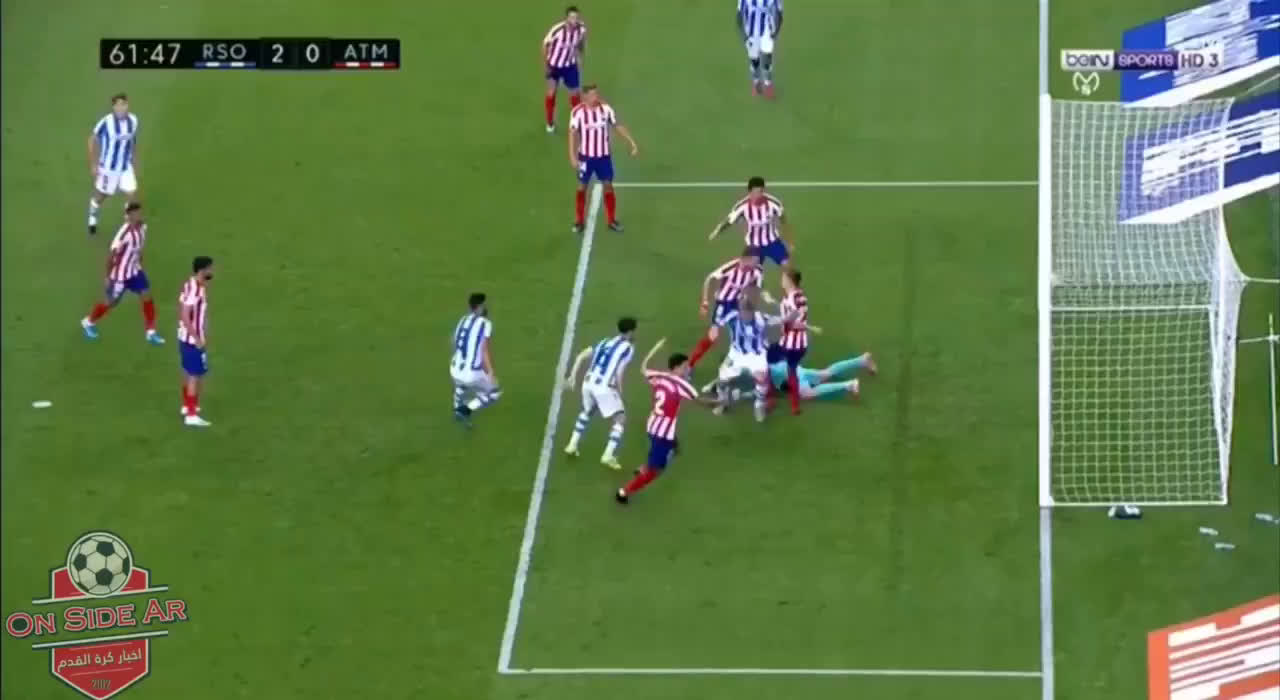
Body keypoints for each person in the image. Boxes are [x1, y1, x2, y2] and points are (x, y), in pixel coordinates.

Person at [80, 202, 164, 345]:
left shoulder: (142, 227)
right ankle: (88, 322)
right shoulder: (124, 234)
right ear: (129, 215)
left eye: (140, 212)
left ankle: (151, 331)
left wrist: (139, 260)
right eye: (136, 213)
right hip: (120, 276)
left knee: (147, 295)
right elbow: (111, 256)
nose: (139, 215)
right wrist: (107, 277)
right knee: (111, 302)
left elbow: (139, 247)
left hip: (135, 271)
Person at [564, 317, 637, 470]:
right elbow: (619, 372)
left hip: (588, 383)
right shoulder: (628, 348)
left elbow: (581, 355)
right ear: (631, 331)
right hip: (604, 388)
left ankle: (572, 444)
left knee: (588, 411)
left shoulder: (604, 342)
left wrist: (572, 376)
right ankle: (608, 455)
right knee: (620, 419)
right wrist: (620, 392)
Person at [569, 85, 638, 234]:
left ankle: (611, 220)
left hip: (603, 157)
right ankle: (579, 221)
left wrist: (631, 142)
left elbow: (617, 125)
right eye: (593, 95)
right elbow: (572, 133)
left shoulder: (605, 109)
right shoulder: (577, 112)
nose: (596, 97)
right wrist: (572, 156)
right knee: (582, 187)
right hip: (585, 157)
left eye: (597, 94)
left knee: (608, 185)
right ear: (585, 96)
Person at [87, 94, 140, 235]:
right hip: (108, 168)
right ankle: (92, 215)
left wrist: (135, 160)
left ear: (127, 105)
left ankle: (129, 222)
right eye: (117, 105)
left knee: (132, 195)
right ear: (113, 107)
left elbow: (133, 140)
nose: (120, 108)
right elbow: (92, 140)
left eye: (123, 104)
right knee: (101, 196)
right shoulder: (106, 122)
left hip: (125, 167)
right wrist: (93, 164)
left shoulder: (133, 120)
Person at [451, 293, 502, 427]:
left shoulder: (463, 319)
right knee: (494, 392)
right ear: (479, 307)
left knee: (462, 382)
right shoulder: (485, 323)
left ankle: (457, 401)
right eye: (484, 304)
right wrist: (490, 373)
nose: (487, 307)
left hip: (454, 369)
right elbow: (484, 351)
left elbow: (455, 341)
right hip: (471, 374)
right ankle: (464, 410)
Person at [178, 256, 214, 427]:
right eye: (210, 268)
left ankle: (187, 406)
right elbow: (185, 314)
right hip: (192, 340)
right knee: (194, 375)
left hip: (184, 337)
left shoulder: (190, 284)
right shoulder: (196, 290)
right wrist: (197, 338)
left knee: (188, 372)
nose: (212, 271)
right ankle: (191, 415)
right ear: (202, 270)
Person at [542, 5, 587, 132]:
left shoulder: (581, 29)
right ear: (566, 18)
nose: (574, 20)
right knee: (551, 93)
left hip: (570, 66)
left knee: (575, 93)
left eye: (576, 17)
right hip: (554, 66)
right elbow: (545, 46)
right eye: (571, 17)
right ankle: (550, 122)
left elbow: (581, 43)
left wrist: (580, 56)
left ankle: (577, 121)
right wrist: (546, 66)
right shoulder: (557, 30)